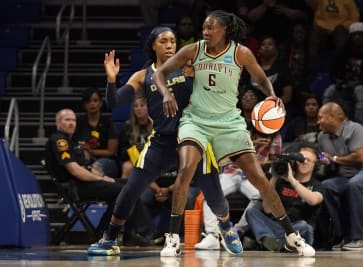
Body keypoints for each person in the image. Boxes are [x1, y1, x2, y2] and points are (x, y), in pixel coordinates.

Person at [153, 10, 315, 257]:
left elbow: (260, 77)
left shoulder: (241, 53)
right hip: (196, 121)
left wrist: (271, 94)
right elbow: (159, 72)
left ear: (225, 30)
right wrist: (165, 93)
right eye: (204, 28)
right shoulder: (194, 50)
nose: (206, 32)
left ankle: (292, 236)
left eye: (211, 28)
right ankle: (173, 238)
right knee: (186, 171)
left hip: (229, 123)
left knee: (260, 179)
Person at [87, 26, 234, 257]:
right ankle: (110, 239)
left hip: (193, 141)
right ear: (153, 45)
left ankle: (226, 226)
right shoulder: (142, 75)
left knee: (214, 193)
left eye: (173, 41)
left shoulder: (190, 66)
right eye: (163, 41)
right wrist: (111, 79)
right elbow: (114, 102)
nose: (169, 45)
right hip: (162, 144)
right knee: (130, 190)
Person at [45, 109, 155, 244]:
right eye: (67, 120)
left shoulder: (71, 141)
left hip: (85, 183)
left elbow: (85, 167)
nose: (71, 123)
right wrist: (101, 179)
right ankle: (111, 233)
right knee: (125, 190)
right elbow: (74, 170)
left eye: (73, 120)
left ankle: (128, 233)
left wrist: (103, 176)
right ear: (58, 122)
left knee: (130, 184)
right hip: (75, 188)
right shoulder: (60, 141)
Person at [194, 126, 282, 250]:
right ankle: (212, 235)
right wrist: (251, 145)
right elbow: (225, 154)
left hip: (253, 174)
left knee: (260, 196)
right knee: (209, 193)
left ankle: (235, 232)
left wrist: (261, 162)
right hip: (231, 171)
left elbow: (274, 161)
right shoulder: (242, 129)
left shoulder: (275, 136)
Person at [317, 102, 363, 251]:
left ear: (332, 117)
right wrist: (327, 162)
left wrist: (334, 158)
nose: (318, 122)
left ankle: (360, 238)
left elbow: (359, 158)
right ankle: (346, 236)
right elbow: (331, 161)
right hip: (346, 177)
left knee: (355, 184)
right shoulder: (322, 137)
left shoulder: (355, 128)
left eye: (320, 117)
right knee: (327, 186)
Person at [246, 144, 324, 251]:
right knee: (252, 212)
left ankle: (272, 243)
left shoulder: (317, 185)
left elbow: (313, 200)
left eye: (308, 160)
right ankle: (272, 241)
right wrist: (274, 177)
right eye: (301, 159)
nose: (304, 162)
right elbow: (268, 209)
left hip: (297, 229)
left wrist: (292, 179)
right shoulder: (281, 182)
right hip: (277, 226)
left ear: (315, 165)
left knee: (305, 226)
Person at [321, 22, 363, 123]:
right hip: (343, 84)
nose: (357, 37)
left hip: (361, 85)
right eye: (354, 35)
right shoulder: (343, 52)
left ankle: (360, 124)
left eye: (360, 35)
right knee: (328, 92)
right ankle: (325, 120)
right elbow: (333, 72)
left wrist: (360, 82)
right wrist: (338, 81)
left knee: (359, 92)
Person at [73, 87, 120, 178]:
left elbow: (111, 151)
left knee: (95, 168)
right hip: (84, 159)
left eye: (95, 100)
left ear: (100, 103)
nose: (92, 104)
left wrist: (91, 151)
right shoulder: (79, 122)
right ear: (84, 105)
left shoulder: (108, 123)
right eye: (88, 101)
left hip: (107, 161)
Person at [118, 97, 153, 178]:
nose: (138, 109)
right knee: (127, 167)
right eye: (135, 106)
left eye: (142, 105)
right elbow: (122, 151)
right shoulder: (128, 127)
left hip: (152, 159)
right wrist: (135, 157)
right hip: (133, 160)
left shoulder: (156, 125)